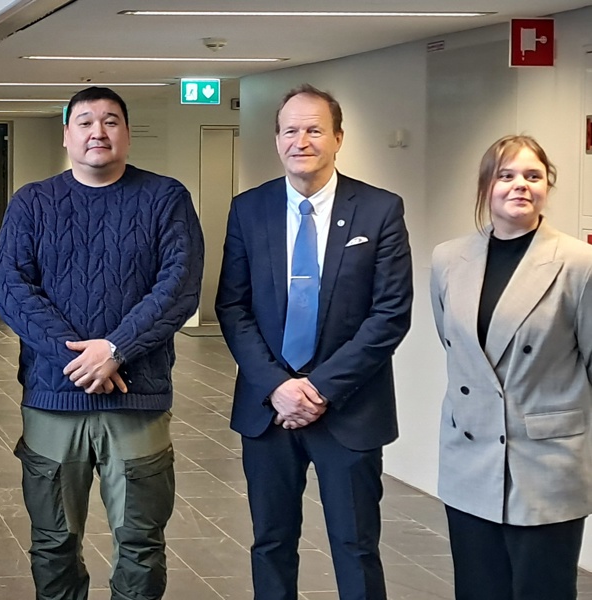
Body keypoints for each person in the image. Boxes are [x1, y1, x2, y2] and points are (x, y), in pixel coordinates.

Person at [0, 86, 203, 600]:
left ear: (127, 134)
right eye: (85, 121)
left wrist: (115, 349)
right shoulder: (32, 202)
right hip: (53, 398)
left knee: (140, 542)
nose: (98, 132)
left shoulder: (165, 198)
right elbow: (13, 290)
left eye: (111, 121)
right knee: (53, 541)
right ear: (66, 135)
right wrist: (81, 357)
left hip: (137, 399)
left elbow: (178, 286)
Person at [214, 84, 413, 600]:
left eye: (314, 130)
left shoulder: (379, 210)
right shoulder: (249, 209)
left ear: (338, 138)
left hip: (350, 407)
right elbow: (232, 307)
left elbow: (390, 315)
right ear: (277, 139)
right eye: (290, 130)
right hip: (269, 410)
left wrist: (320, 388)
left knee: (356, 546)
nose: (300, 141)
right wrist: (277, 386)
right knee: (271, 543)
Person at [431, 135, 592, 600]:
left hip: (546, 463)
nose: (520, 185)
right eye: (506, 175)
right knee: (478, 589)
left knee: (543, 590)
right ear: (486, 186)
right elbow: (455, 344)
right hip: (469, 455)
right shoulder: (448, 259)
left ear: (547, 187)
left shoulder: (579, 264)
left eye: (532, 176)